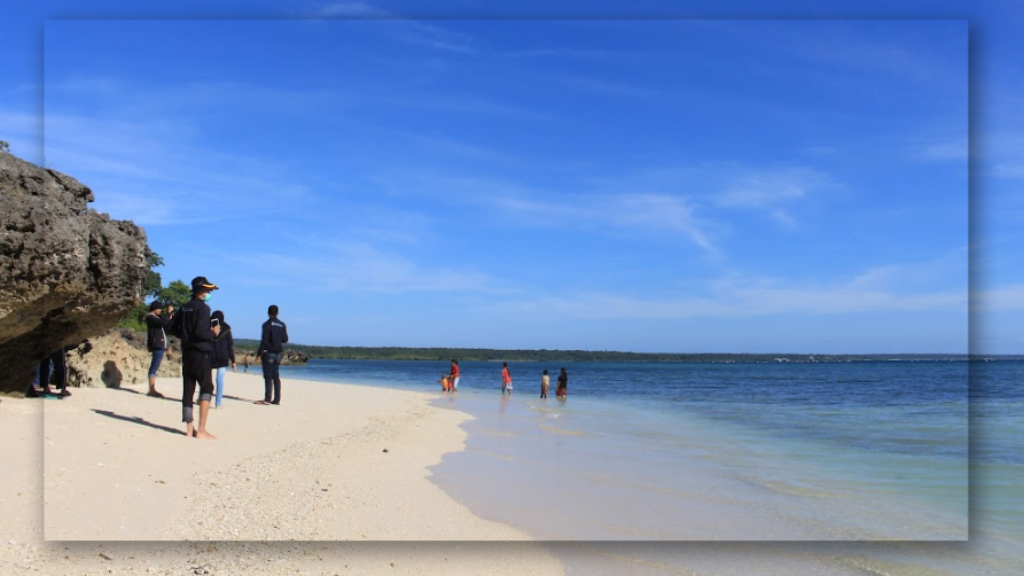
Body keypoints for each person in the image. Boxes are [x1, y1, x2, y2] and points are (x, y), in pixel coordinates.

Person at [168, 276, 219, 439]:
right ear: (201, 290)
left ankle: (189, 429)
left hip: (187, 352)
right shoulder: (203, 309)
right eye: (207, 290)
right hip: (201, 351)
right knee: (206, 388)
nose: (209, 292)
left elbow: (170, 327)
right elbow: (201, 332)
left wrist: (184, 335)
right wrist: (212, 332)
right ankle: (201, 430)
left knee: (188, 390)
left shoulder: (184, 307)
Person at [255, 304, 288, 406]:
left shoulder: (266, 324)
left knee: (268, 376)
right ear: (277, 313)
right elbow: (285, 339)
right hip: (278, 353)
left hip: (268, 352)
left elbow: (264, 341)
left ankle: (267, 398)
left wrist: (259, 354)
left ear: (268, 313)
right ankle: (277, 399)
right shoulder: (282, 325)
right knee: (276, 376)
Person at [144, 300, 174, 398]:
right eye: (160, 309)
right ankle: (151, 389)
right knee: (154, 366)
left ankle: (152, 388)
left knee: (155, 366)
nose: (161, 311)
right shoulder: (150, 317)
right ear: (155, 308)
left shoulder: (157, 318)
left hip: (161, 345)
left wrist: (168, 347)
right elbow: (162, 323)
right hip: (156, 344)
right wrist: (168, 314)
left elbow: (166, 324)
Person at [210, 310, 236, 409]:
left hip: (210, 356)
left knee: (206, 380)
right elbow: (230, 346)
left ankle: (203, 398)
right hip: (223, 357)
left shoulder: (208, 328)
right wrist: (233, 360)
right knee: (219, 380)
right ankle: (218, 402)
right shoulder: (227, 329)